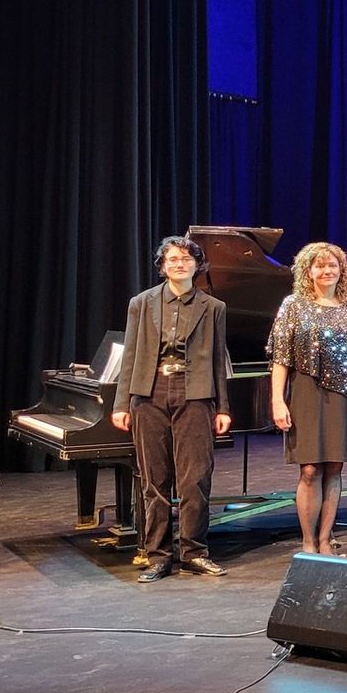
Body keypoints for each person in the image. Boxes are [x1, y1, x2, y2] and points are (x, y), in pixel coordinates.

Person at [111, 234, 233, 583]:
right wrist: (122, 403)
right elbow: (130, 354)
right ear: (162, 267)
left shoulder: (213, 307)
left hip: (195, 394)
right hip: (149, 395)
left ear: (197, 265)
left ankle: (194, 551)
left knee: (195, 479)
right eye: (173, 259)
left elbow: (217, 361)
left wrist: (222, 407)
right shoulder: (142, 303)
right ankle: (158, 556)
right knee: (154, 481)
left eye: (186, 258)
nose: (179, 264)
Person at [268, 241, 347, 557]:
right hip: (306, 391)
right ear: (308, 271)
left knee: (334, 467)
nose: (327, 270)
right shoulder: (293, 305)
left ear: (341, 270)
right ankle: (307, 542)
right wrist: (278, 399)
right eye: (319, 265)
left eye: (332, 265)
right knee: (309, 470)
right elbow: (280, 357)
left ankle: (325, 540)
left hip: (346, 393)